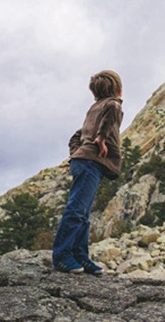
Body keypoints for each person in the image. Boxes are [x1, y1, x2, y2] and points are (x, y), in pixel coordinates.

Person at [52, 70, 124, 274]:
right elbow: (113, 107)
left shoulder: (94, 108)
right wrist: (101, 138)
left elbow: (76, 135)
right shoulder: (112, 105)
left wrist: (77, 152)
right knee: (77, 209)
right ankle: (61, 256)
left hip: (85, 161)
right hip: (90, 161)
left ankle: (80, 256)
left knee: (83, 212)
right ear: (117, 89)